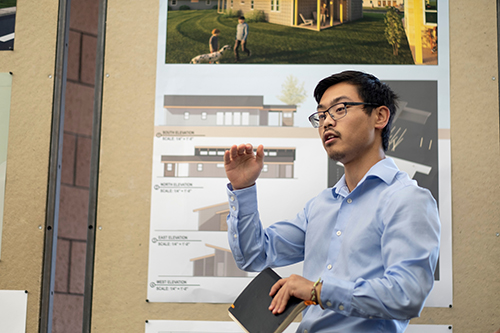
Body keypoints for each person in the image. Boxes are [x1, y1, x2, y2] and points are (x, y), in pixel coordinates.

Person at [223, 70, 441, 332]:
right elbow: (254, 255)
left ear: (380, 116)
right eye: (322, 115)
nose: (326, 122)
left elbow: (407, 295)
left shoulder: (407, 199)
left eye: (339, 109)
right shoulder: (320, 205)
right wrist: (243, 188)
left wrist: (317, 291)